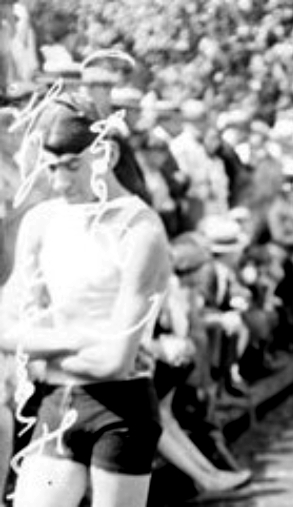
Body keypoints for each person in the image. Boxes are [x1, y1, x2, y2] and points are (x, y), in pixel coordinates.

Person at [0, 90, 171, 507]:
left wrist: (43, 352)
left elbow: (116, 361)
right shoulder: (42, 221)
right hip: (56, 403)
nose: (60, 182)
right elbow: (5, 330)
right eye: (52, 167)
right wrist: (85, 339)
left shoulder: (140, 229)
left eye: (73, 166)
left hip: (121, 409)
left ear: (105, 156)